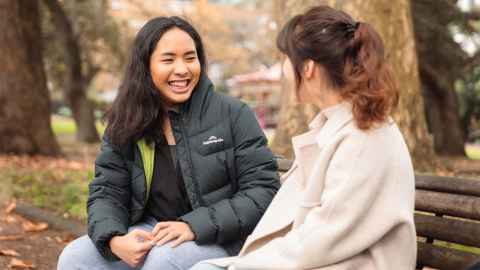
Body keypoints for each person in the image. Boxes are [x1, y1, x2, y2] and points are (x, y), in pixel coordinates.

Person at [191, 5, 416, 270]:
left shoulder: (363, 139)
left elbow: (321, 238)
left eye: (286, 58)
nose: (285, 68)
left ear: (307, 68)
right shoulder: (342, 128)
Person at [57, 16, 280, 270]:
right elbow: (108, 190)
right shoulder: (127, 119)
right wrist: (114, 238)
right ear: (145, 66)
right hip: (152, 231)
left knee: (164, 259)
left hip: (218, 238)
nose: (182, 69)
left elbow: (262, 192)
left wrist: (193, 226)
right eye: (168, 59)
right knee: (75, 257)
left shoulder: (233, 114)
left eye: (189, 57)